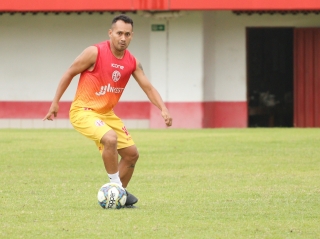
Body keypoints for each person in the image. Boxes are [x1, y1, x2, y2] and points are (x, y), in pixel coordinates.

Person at [43, 14, 172, 207]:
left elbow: (148, 88)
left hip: (107, 114)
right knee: (110, 139)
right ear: (110, 33)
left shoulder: (132, 62)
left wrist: (163, 108)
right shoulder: (94, 52)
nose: (123, 38)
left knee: (131, 154)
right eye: (119, 33)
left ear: (132, 36)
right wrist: (55, 102)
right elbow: (70, 72)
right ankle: (117, 188)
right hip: (83, 111)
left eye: (127, 34)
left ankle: (117, 197)